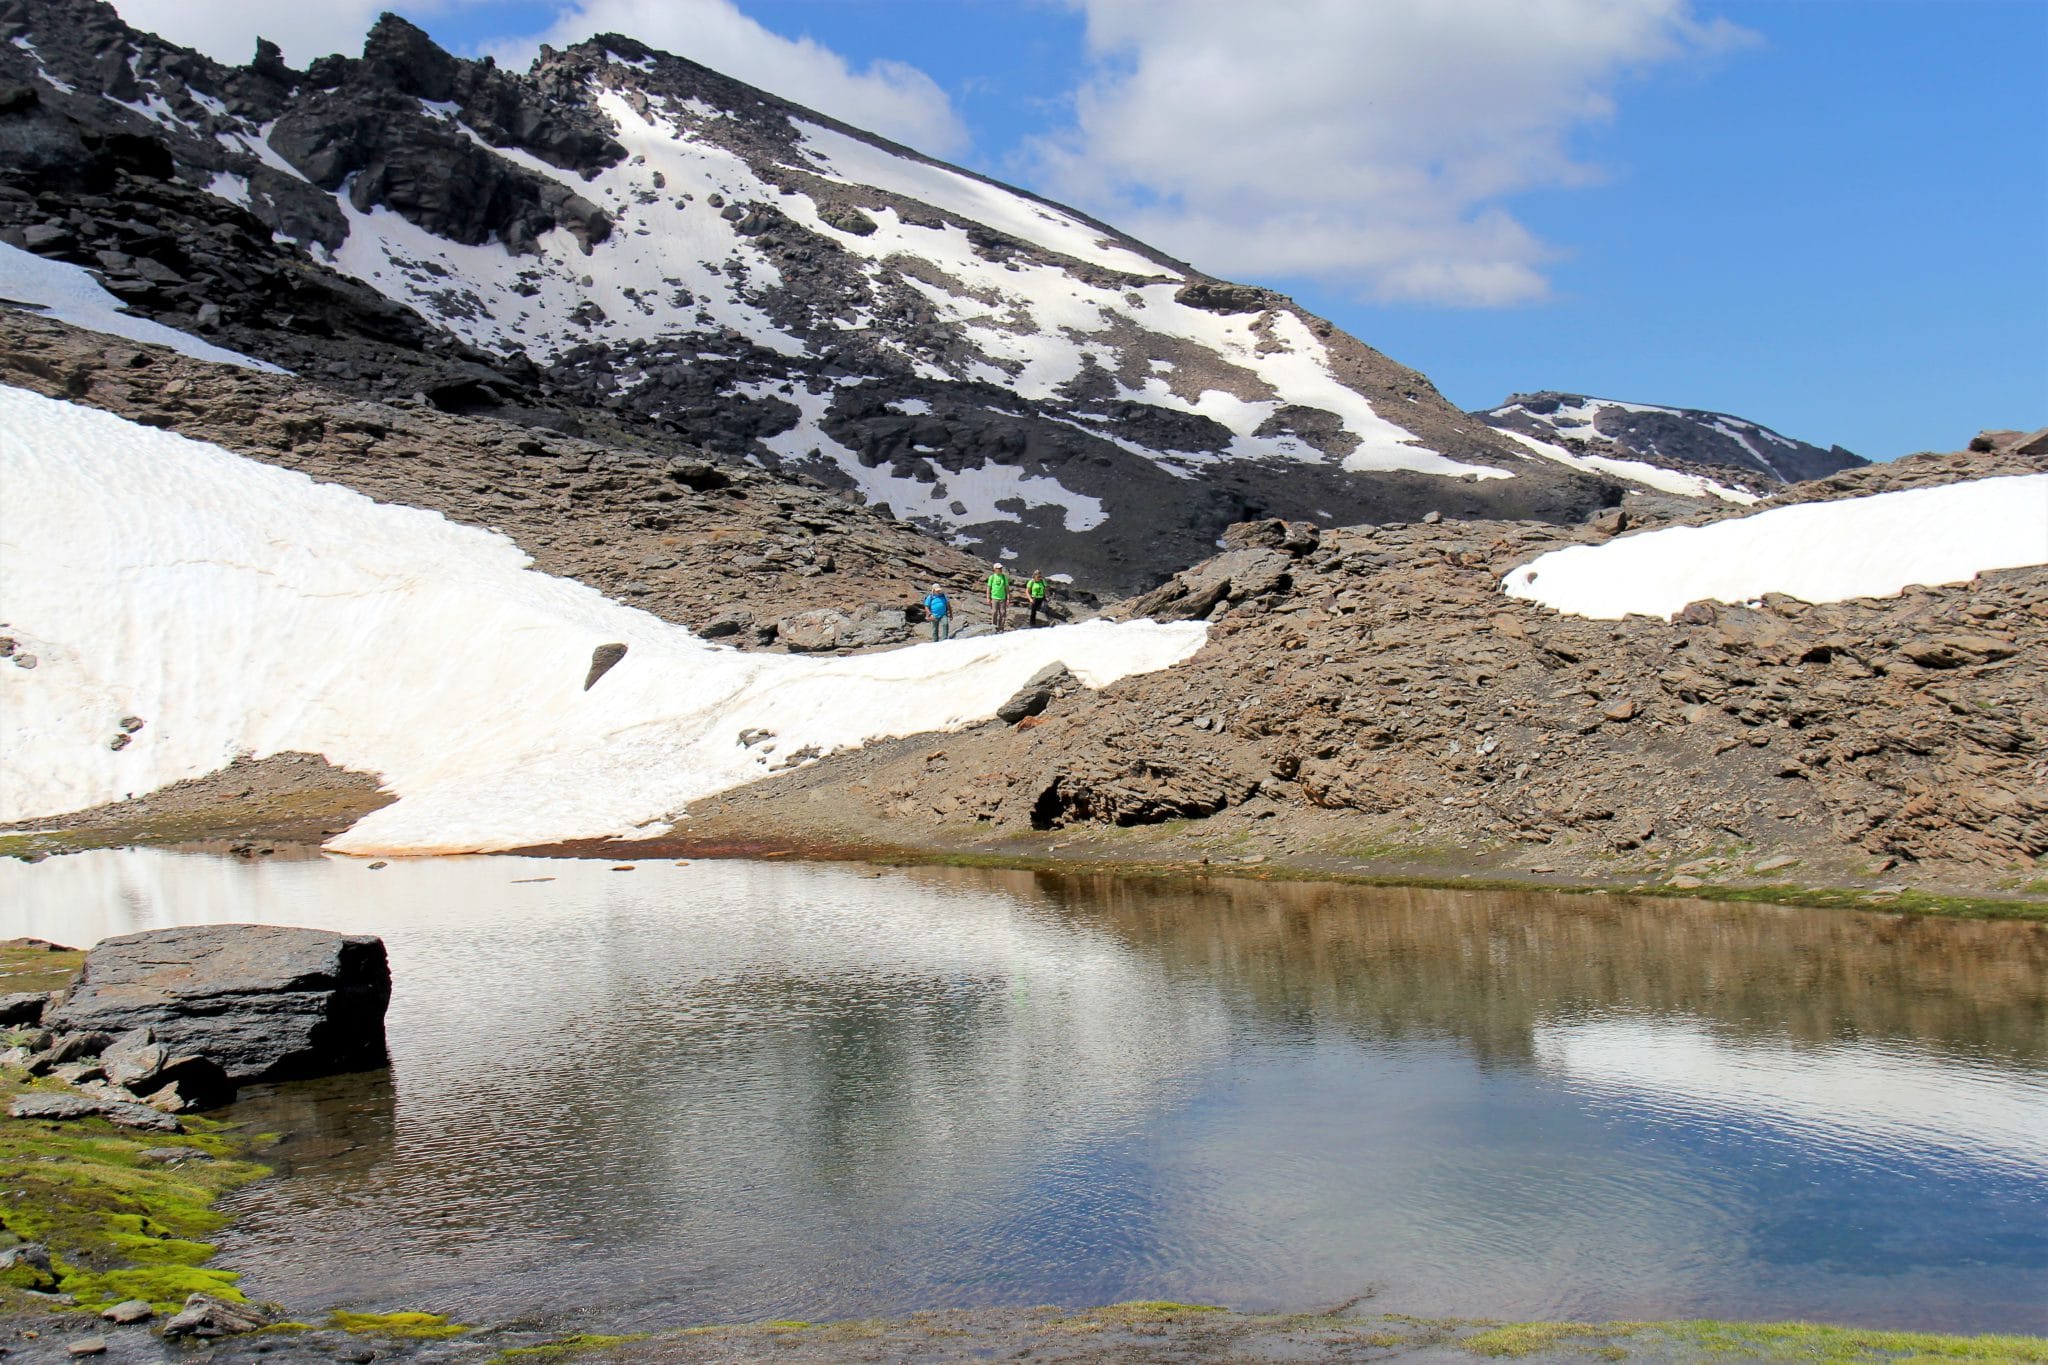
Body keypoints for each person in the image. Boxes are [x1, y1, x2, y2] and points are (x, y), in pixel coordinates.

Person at [986, 564, 1012, 631]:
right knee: (994, 612)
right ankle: (994, 627)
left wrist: (1008, 598)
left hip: (1002, 598)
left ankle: (1001, 628)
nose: (1000, 569)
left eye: (1001, 568)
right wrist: (988, 598)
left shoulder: (1004, 577)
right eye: (998, 568)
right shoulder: (992, 577)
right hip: (994, 598)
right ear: (994, 569)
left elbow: (1007, 588)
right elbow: (988, 588)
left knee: (1002, 613)